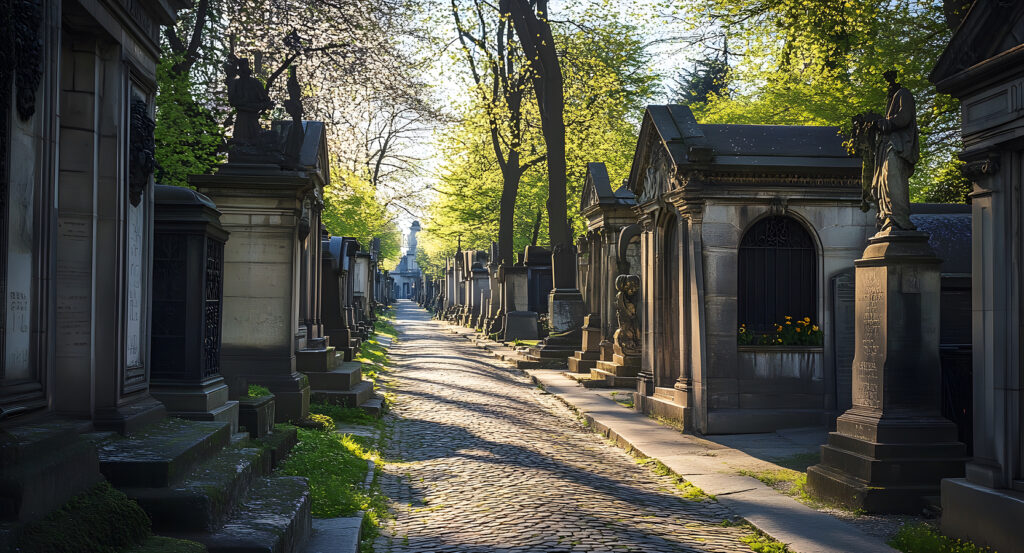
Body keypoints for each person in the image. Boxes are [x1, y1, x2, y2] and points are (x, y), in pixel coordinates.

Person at [870, 70, 919, 231]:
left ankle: (899, 217)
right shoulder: (893, 99)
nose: (888, 88)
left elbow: (904, 118)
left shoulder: (904, 94)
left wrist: (886, 122)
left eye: (890, 82)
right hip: (888, 147)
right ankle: (887, 216)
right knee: (884, 184)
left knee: (893, 181)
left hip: (898, 147)